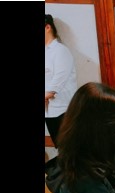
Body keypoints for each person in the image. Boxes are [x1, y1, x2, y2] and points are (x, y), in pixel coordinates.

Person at [45, 14, 77, 148]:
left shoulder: (60, 51)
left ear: (47, 28)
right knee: (61, 150)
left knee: (70, 150)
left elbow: (53, 88)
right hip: (50, 112)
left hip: (64, 112)